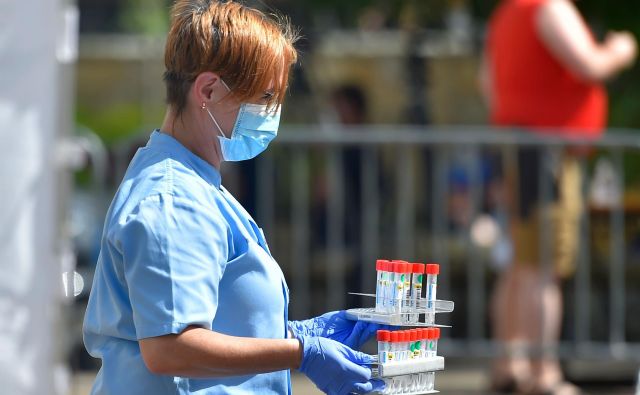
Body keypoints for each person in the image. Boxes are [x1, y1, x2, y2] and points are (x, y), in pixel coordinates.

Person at [82, 2, 386, 394]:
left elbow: (213, 317)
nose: (271, 113)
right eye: (264, 96)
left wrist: (294, 332)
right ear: (207, 90)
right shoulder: (174, 199)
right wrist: (300, 352)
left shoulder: (197, 182)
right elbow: (170, 348)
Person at [479, 0, 637, 394]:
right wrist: (620, 50)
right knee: (543, 267)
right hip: (546, 152)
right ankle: (542, 374)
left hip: (519, 145)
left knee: (520, 264)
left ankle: (509, 365)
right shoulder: (547, 7)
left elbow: (488, 83)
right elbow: (589, 63)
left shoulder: (508, 14)